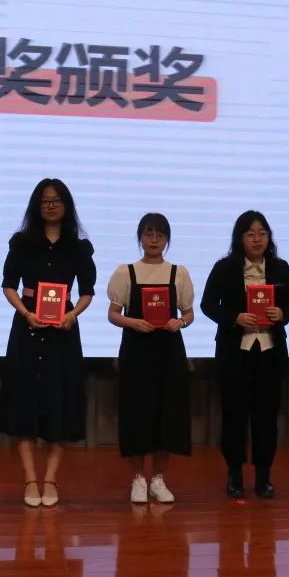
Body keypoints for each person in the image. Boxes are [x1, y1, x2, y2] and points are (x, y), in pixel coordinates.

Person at [0, 179, 96, 507]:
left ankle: (50, 478)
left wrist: (73, 314)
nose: (51, 206)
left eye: (56, 201)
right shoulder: (22, 243)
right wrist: (25, 312)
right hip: (28, 325)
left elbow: (87, 291)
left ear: (66, 205)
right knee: (24, 402)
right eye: (45, 201)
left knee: (59, 401)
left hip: (63, 329)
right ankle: (29, 479)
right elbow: (9, 285)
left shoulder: (78, 247)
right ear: (36, 206)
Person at [201, 210, 289, 499]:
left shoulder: (280, 267)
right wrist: (235, 318)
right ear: (240, 238)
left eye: (262, 233)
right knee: (234, 415)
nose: (257, 239)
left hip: (269, 352)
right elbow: (208, 304)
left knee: (266, 417)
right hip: (236, 352)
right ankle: (234, 474)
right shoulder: (224, 267)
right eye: (250, 234)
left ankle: (263, 476)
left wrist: (282, 313)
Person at [107, 213, 194, 504]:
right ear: (140, 238)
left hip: (169, 351)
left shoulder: (178, 273)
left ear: (167, 239)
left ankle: (158, 479)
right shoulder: (126, 272)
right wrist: (133, 322)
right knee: (137, 413)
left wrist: (180, 322)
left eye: (160, 235)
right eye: (148, 234)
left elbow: (188, 313)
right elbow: (113, 314)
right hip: (137, 350)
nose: (154, 240)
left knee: (166, 413)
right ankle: (138, 479)